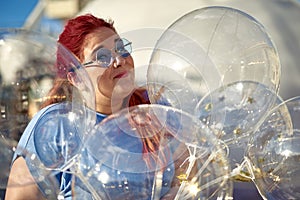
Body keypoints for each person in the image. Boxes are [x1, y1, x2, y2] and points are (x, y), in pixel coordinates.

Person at [5, 14, 183, 199]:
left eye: (121, 49)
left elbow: (188, 170)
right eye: (102, 56)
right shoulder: (57, 124)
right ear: (75, 78)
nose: (120, 60)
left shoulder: (154, 106)